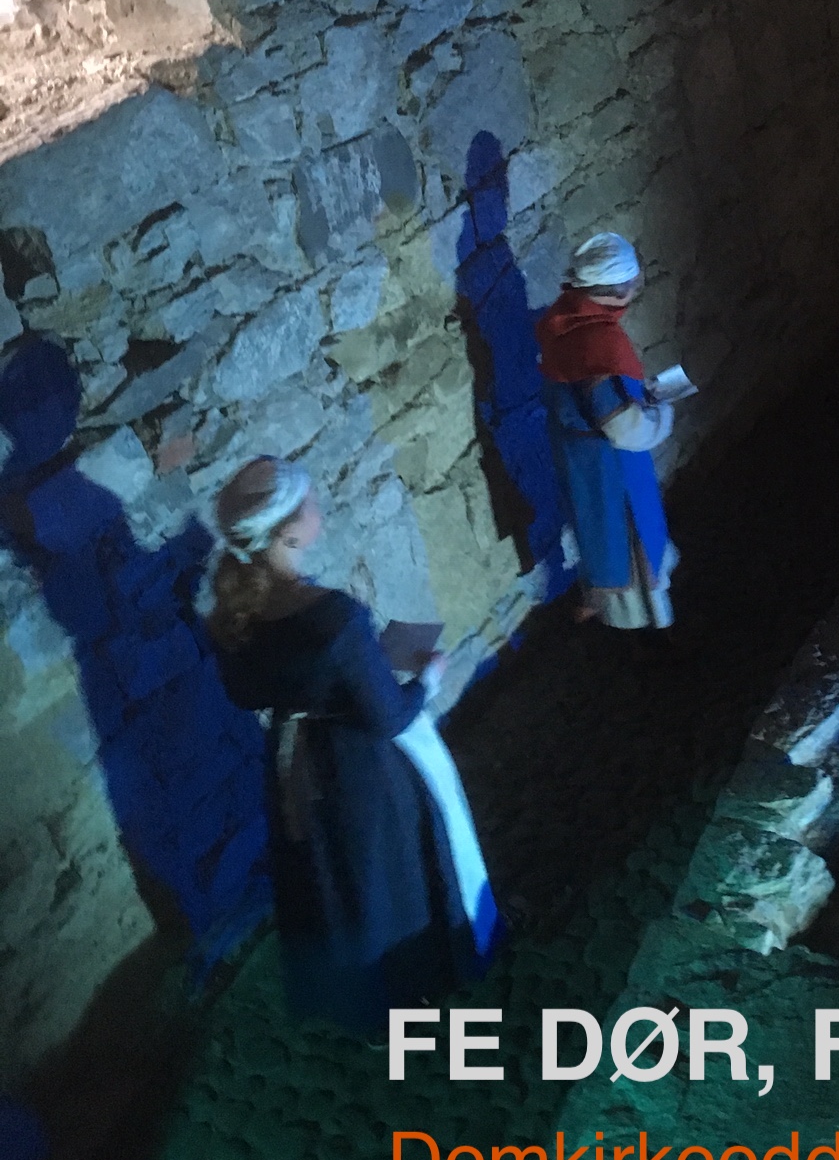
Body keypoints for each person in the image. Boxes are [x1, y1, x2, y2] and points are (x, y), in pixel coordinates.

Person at [208, 456, 500, 1033]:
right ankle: (411, 991)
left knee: (326, 878)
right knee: (385, 878)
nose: (319, 509)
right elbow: (389, 717)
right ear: (289, 531)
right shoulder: (334, 617)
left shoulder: (235, 617)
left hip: (292, 765)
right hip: (356, 767)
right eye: (310, 504)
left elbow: (244, 694)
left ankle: (357, 1004)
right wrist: (428, 679)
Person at [535, 231, 679, 630]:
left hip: (580, 455)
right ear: (616, 290)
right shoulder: (600, 341)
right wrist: (661, 412)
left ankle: (603, 600)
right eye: (632, 282)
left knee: (596, 531)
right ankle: (641, 624)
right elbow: (624, 429)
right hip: (609, 466)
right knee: (626, 542)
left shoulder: (563, 318)